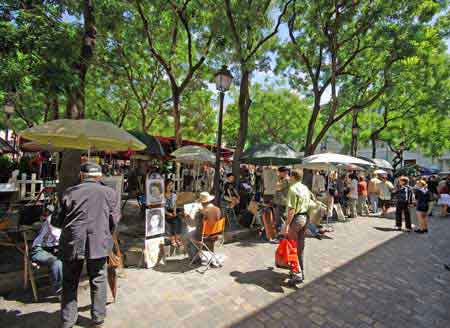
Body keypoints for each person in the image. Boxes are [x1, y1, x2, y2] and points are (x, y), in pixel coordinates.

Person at [59, 162, 121, 328]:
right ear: (99, 176)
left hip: (73, 241)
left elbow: (58, 220)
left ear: (81, 175)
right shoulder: (110, 193)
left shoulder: (69, 192)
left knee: (70, 281)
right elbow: (114, 221)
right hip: (99, 241)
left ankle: (68, 319)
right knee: (98, 279)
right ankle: (98, 317)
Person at [283, 170, 313, 284]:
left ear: (293, 177)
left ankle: (296, 273)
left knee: (292, 247)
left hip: (296, 219)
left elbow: (291, 209)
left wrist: (286, 225)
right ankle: (300, 271)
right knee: (300, 247)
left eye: (290, 176)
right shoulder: (305, 188)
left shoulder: (292, 188)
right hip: (305, 218)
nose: (289, 178)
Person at [30, 205, 62, 296]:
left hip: (52, 249)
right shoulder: (52, 219)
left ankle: (66, 286)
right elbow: (58, 237)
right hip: (39, 250)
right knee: (57, 262)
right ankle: (60, 290)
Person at [164, 179, 182, 248]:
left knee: (179, 220)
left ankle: (177, 239)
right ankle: (172, 240)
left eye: (171, 185)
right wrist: (168, 214)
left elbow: (175, 205)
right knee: (173, 221)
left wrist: (174, 211)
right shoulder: (162, 195)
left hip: (172, 211)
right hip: (165, 212)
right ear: (165, 185)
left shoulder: (174, 195)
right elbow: (162, 208)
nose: (170, 186)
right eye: (169, 185)